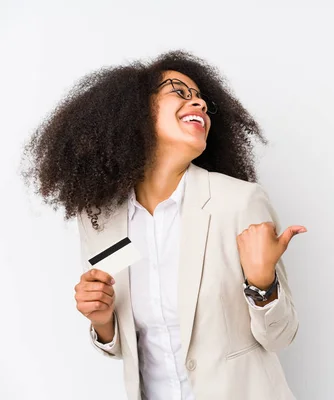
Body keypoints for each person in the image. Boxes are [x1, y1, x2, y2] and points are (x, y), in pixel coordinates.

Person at [21, 50, 305, 399]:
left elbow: (280, 336)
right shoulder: (100, 219)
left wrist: (263, 284)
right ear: (135, 113)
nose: (198, 104)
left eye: (201, 99)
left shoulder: (238, 202)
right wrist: (102, 321)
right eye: (180, 92)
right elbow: (126, 347)